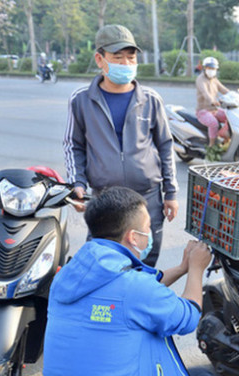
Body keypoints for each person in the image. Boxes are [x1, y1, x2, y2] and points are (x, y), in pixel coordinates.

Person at [43, 186, 223, 376]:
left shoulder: (66, 277)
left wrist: (181, 269)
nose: (150, 233)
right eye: (148, 227)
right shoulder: (133, 289)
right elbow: (188, 317)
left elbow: (138, 292)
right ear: (133, 236)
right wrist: (197, 269)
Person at [63, 24, 179, 267]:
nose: (126, 63)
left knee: (146, 259)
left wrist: (171, 193)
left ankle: (140, 303)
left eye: (131, 56)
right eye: (118, 57)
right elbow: (74, 145)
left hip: (147, 198)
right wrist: (78, 184)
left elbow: (166, 145)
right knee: (103, 263)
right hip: (105, 199)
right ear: (100, 59)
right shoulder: (82, 100)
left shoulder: (150, 99)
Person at [195, 56, 230, 160]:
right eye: (209, 68)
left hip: (214, 110)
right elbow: (205, 93)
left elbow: (223, 89)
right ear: (205, 68)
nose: (211, 70)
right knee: (213, 123)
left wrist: (233, 95)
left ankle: (225, 139)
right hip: (203, 111)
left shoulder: (214, 79)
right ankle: (211, 145)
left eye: (213, 68)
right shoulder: (200, 79)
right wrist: (212, 100)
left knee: (230, 116)